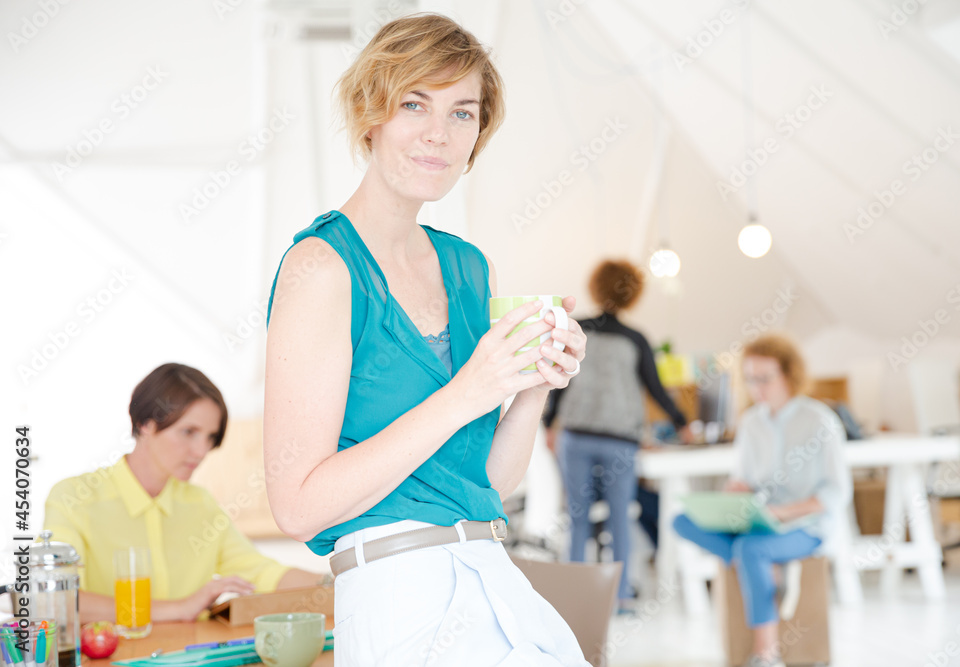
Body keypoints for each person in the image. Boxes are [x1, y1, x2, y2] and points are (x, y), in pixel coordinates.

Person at [262, 13, 590, 666]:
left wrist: (533, 387)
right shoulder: (321, 269)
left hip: (496, 575)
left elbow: (489, 480)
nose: (439, 134)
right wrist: (472, 390)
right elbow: (296, 507)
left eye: (463, 113)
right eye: (415, 104)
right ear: (370, 114)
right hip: (398, 597)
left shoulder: (469, 267)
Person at [43, 363, 324, 623]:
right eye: (189, 432)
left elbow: (263, 573)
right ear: (145, 424)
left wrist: (340, 582)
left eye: (210, 437)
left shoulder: (200, 505)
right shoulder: (74, 498)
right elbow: (58, 600)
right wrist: (180, 608)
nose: (202, 451)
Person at [672, 334, 852, 667]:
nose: (757, 387)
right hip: (760, 522)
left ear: (788, 375)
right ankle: (769, 573)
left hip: (807, 526)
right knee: (681, 521)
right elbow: (747, 480)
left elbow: (836, 494)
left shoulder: (820, 421)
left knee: (750, 549)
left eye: (765, 378)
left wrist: (783, 512)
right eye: (751, 379)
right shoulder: (752, 422)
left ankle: (766, 655)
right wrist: (737, 493)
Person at [541, 259, 691, 609]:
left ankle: (573, 600)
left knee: (578, 517)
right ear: (633, 294)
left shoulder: (578, 330)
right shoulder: (635, 340)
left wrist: (550, 425)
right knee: (620, 517)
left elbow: (559, 383)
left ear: (595, 286)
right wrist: (681, 420)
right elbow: (656, 388)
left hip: (576, 436)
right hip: (620, 440)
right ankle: (620, 598)